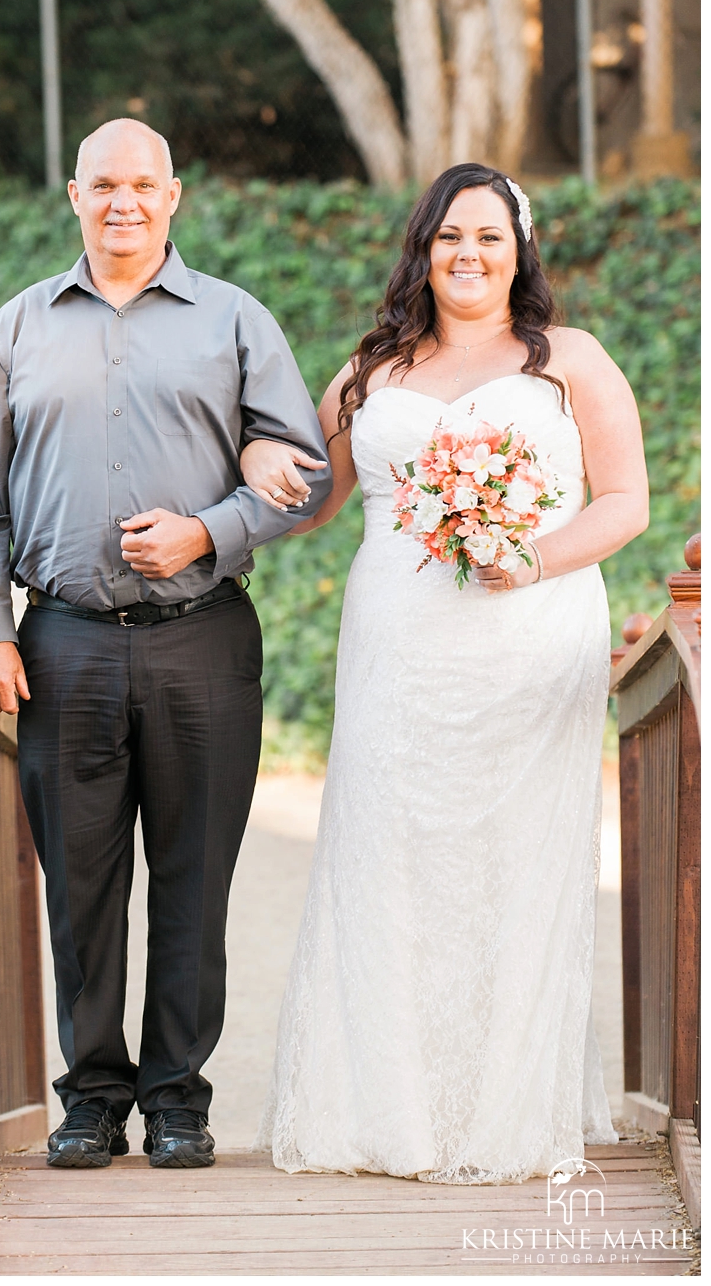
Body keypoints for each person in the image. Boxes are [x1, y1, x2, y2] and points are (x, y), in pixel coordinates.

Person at [239, 163, 649, 1182]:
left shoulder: (574, 363)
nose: (469, 256)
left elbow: (625, 500)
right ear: (422, 248)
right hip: (398, 644)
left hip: (529, 639)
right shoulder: (369, 371)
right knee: (388, 857)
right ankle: (389, 1115)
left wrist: (534, 556)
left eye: (490, 238)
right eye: (449, 237)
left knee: (515, 864)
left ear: (520, 252)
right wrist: (250, 471)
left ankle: (503, 1115)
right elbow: (310, 497)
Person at [0, 119, 331, 1170]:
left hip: (202, 639)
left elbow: (306, 470)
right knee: (79, 881)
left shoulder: (234, 321)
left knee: (194, 877)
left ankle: (176, 1097)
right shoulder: (18, 327)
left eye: (142, 183)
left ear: (174, 196)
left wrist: (210, 527)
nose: (123, 199)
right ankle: (92, 1095)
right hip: (62, 643)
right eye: (103, 182)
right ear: (74, 195)